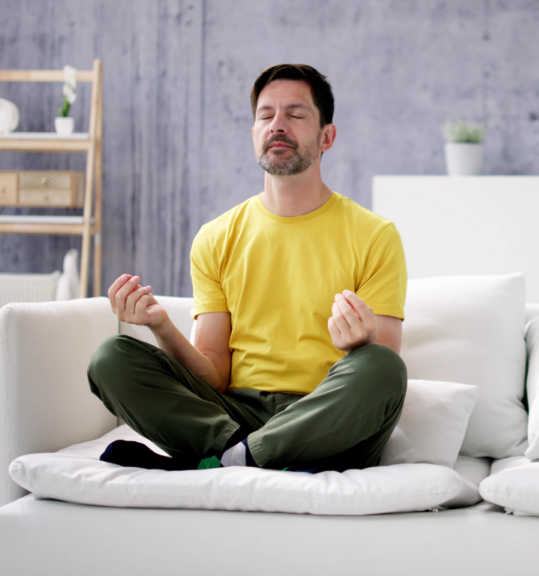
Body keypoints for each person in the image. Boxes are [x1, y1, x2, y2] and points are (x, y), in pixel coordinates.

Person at [88, 64, 408, 473]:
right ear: (254, 134)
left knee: (382, 367)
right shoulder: (215, 237)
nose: (277, 125)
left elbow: (383, 362)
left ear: (326, 136)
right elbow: (214, 376)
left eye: (295, 114)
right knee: (110, 358)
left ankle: (227, 462)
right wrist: (161, 326)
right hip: (232, 417)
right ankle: (247, 455)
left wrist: (361, 345)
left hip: (324, 419)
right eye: (265, 115)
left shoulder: (374, 235)